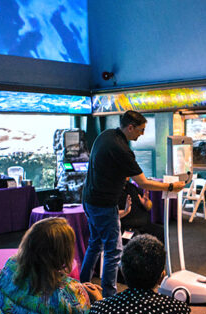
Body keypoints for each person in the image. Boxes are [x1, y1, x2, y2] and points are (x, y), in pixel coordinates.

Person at [80, 110, 186, 297]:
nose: (142, 134)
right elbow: (143, 182)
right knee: (114, 251)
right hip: (104, 204)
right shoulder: (122, 149)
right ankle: (109, 298)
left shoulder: (106, 135)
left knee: (95, 244)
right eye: (141, 130)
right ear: (130, 127)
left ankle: (83, 287)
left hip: (89, 200)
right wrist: (170, 186)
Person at [118, 177, 164, 242]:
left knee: (162, 233)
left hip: (144, 225)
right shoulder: (112, 193)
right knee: (139, 241)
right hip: (126, 228)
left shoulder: (132, 187)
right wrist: (125, 211)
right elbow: (110, 215)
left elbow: (149, 207)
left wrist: (146, 203)